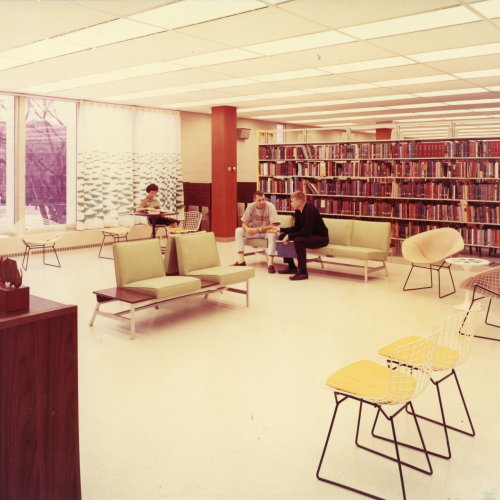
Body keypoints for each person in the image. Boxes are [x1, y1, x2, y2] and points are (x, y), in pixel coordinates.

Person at [269, 191, 328, 281]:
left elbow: (306, 232)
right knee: (281, 237)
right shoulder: (298, 211)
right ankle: (291, 267)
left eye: (292, 201)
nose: (290, 204)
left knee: (298, 240)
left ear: (298, 202)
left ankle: (303, 272)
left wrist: (289, 236)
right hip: (310, 236)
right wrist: (280, 230)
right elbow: (297, 227)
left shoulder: (310, 210)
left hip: (321, 238)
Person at [233, 191, 281, 273]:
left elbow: (274, 225)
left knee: (273, 233)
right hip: (257, 232)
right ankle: (241, 261)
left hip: (267, 232)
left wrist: (258, 229)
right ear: (254, 200)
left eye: (263, 199)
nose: (262, 202)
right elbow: (244, 223)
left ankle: (270, 264)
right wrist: (248, 229)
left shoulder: (270, 206)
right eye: (259, 200)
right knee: (238, 230)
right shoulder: (251, 206)